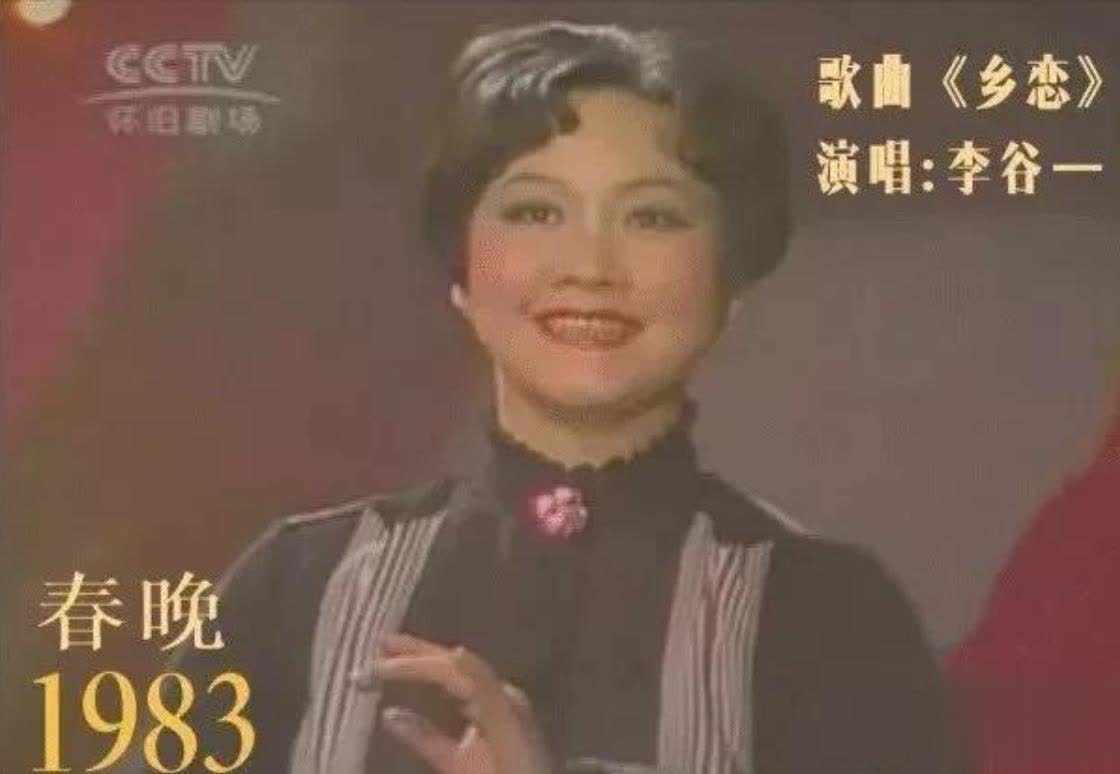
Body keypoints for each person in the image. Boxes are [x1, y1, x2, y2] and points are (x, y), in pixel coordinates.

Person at [133, 21, 964, 774]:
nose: (590, 267)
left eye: (652, 218)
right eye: (535, 211)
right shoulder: (298, 586)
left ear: (729, 283)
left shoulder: (828, 618)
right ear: (461, 271)